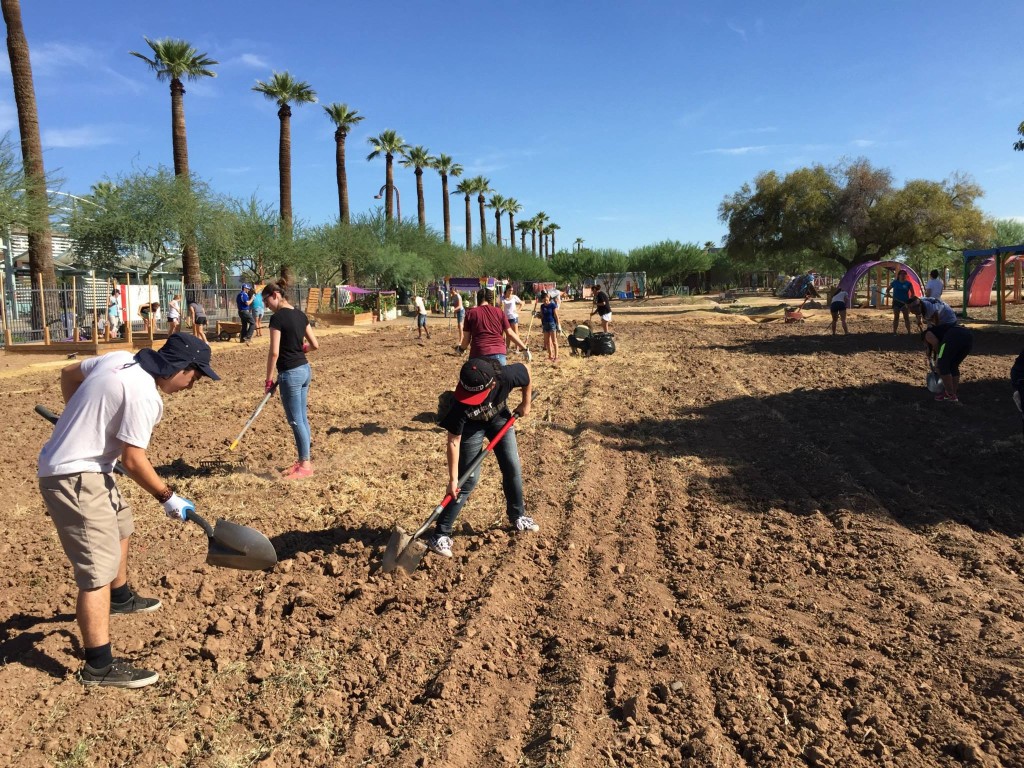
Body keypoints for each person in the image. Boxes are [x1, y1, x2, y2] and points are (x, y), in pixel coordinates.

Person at [37, 334, 220, 688]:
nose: (193, 386)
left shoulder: (119, 358)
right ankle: (98, 666)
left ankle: (120, 599)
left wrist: (81, 421)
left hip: (90, 468)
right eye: (195, 377)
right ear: (182, 368)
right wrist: (168, 496)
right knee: (96, 572)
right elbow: (133, 460)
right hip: (73, 477)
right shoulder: (145, 395)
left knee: (122, 522)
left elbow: (68, 374)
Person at [426, 357, 538, 558]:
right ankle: (440, 534)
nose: (468, 396)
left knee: (512, 467)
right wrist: (452, 481)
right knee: (467, 480)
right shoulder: (459, 404)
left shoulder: (506, 376)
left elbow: (527, 372)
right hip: (471, 428)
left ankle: (518, 515)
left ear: (492, 383)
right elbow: (453, 441)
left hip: (499, 418)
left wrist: (525, 403)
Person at [263, 280, 320, 479]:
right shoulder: (300, 314)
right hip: (304, 370)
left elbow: (274, 353)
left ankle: (305, 465)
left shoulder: (277, 319)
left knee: (296, 421)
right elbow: (314, 344)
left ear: (275, 295)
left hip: (290, 374)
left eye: (266, 301)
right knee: (302, 419)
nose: (266, 306)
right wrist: (299, 350)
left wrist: (268, 381)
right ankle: (303, 460)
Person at [457, 288, 529, 365]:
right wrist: (524, 349)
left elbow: (466, 340)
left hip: (478, 354)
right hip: (498, 355)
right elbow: (510, 333)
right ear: (491, 300)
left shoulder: (471, 313)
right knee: (498, 376)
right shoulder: (499, 312)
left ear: (478, 299)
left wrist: (461, 349)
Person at [924, 322, 972, 403]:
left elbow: (936, 344)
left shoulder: (927, 334)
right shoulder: (940, 330)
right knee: (953, 365)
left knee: (942, 365)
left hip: (953, 336)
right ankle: (953, 394)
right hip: (968, 336)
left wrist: (938, 361)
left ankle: (949, 394)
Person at [890, 269, 915, 335]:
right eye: (901, 274)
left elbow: (913, 293)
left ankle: (909, 332)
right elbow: (887, 290)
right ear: (899, 275)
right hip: (896, 302)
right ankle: (894, 332)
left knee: (906, 317)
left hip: (905, 303)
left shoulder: (908, 283)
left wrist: (910, 302)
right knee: (896, 317)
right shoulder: (895, 282)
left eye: (904, 274)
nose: (903, 275)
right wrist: (888, 294)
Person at [540, 291, 560, 361]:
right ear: (542, 300)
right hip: (545, 324)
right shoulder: (542, 306)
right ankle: (550, 356)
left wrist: (558, 324)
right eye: (544, 300)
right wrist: (536, 315)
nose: (545, 302)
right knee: (547, 342)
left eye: (546, 300)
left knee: (554, 341)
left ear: (548, 299)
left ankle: (556, 356)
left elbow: (556, 315)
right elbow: (542, 316)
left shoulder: (552, 305)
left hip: (552, 324)